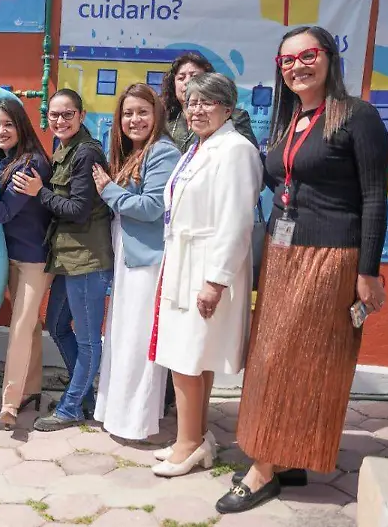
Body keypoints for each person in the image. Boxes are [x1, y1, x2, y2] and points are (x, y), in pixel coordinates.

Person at [219, 27, 388, 514]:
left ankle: (263, 468)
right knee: (276, 356)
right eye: (288, 60)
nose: (298, 66)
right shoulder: (290, 119)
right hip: (282, 254)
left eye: (308, 55)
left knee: (297, 361)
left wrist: (368, 271)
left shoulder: (358, 117)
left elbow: (376, 198)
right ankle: (286, 455)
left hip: (331, 258)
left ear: (329, 59)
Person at [149, 72, 260, 479]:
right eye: (192, 102)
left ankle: (189, 444)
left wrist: (216, 280)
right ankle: (196, 436)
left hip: (205, 268)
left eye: (207, 102)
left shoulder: (235, 150)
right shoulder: (200, 147)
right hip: (184, 262)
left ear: (228, 109)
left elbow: (236, 221)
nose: (196, 109)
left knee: (187, 357)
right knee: (194, 355)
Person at [12, 89, 114, 433]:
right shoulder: (63, 149)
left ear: (81, 116)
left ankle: (72, 407)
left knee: (87, 340)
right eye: (54, 115)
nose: (59, 120)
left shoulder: (86, 153)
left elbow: (77, 210)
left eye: (67, 114)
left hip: (87, 260)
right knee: (56, 326)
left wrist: (38, 191)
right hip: (67, 259)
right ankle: (82, 397)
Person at [90, 84, 180, 441]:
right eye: (127, 113)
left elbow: (152, 208)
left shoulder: (162, 152)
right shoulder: (136, 152)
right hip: (129, 261)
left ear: (157, 114)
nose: (134, 119)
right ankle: (116, 414)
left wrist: (108, 190)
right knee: (121, 338)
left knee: (138, 342)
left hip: (148, 263)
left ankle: (136, 421)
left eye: (142, 111)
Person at [0, 99, 54, 430]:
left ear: (21, 126)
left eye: (7, 124)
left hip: (35, 260)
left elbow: (4, 212)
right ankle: (30, 390)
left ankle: (9, 404)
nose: (1, 131)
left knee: (19, 327)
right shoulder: (7, 162)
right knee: (30, 326)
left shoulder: (30, 165)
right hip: (13, 256)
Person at [162, 52, 258, 150]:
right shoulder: (166, 119)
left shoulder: (235, 117)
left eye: (194, 77)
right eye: (181, 78)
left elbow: (246, 153)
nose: (187, 82)